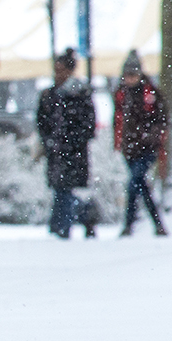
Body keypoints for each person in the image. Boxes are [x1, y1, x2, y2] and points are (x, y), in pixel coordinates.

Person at [36, 49, 98, 240]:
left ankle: (62, 226)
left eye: (61, 70)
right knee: (62, 188)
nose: (57, 75)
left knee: (65, 188)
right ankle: (80, 217)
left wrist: (72, 140)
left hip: (74, 151)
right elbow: (41, 121)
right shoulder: (49, 95)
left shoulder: (79, 93)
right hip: (56, 150)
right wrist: (49, 141)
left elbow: (88, 123)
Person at [112, 51, 169, 237]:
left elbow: (162, 119)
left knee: (134, 183)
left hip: (147, 148)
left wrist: (152, 137)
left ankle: (129, 224)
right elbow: (118, 121)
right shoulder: (121, 94)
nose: (130, 79)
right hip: (129, 149)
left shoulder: (150, 94)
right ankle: (157, 224)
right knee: (140, 186)